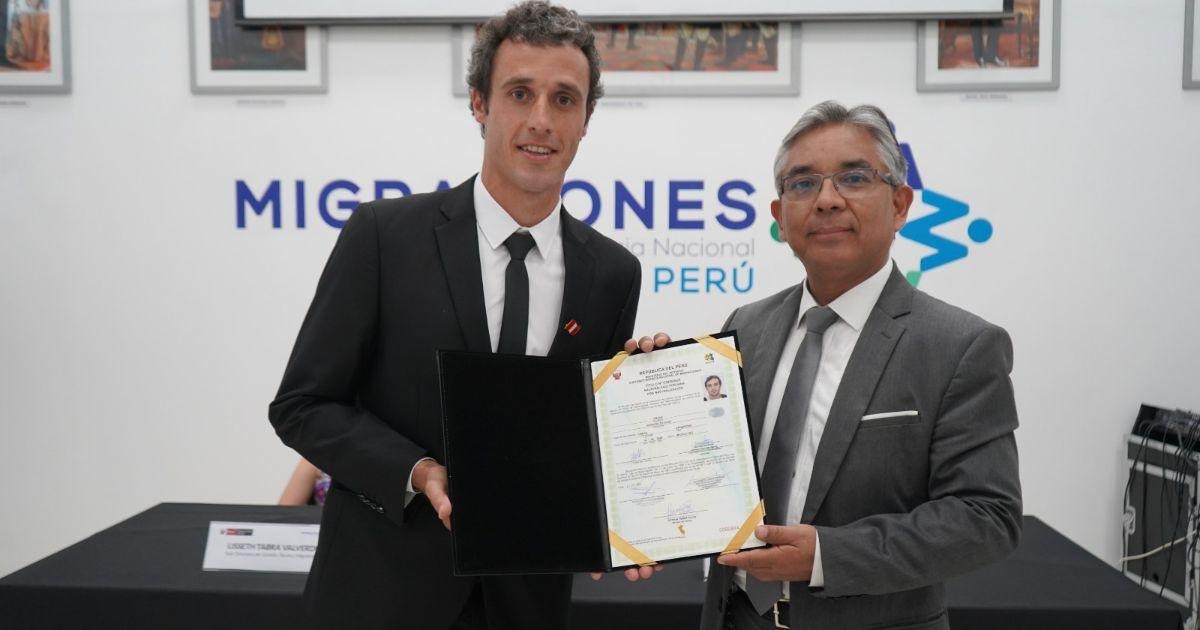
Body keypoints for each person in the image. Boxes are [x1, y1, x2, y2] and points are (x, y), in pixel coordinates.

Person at [268, 3, 643, 628]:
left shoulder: (611, 273)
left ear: (586, 120)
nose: (541, 121)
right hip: (378, 598)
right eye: (519, 93)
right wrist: (417, 471)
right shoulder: (384, 237)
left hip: (526, 606)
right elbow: (303, 406)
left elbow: (587, 445)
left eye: (564, 99)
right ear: (479, 105)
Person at [699, 101, 1021, 630]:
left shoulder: (961, 345)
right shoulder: (746, 325)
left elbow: (988, 518)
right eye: (802, 184)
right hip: (734, 617)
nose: (826, 200)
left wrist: (827, 555)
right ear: (779, 217)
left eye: (853, 178)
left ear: (899, 204)